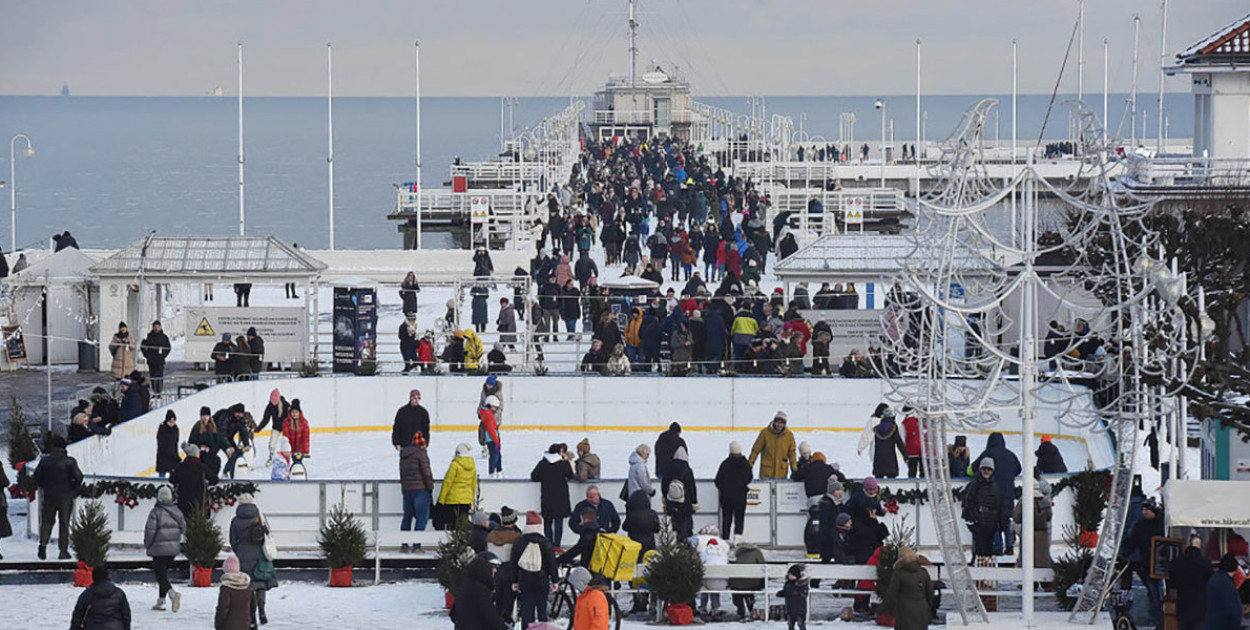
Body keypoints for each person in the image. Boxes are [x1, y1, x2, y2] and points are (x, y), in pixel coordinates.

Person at [229, 495, 276, 627]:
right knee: (260, 583)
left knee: (247, 586)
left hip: (243, 555)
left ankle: (251, 615)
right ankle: (262, 610)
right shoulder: (259, 518)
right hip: (259, 554)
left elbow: (233, 540)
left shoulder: (235, 521)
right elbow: (267, 535)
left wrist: (239, 551)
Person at [34, 434, 83, 560]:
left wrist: (44, 486)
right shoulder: (69, 461)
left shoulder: (44, 461)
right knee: (64, 523)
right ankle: (63, 551)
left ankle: (43, 545)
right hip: (65, 495)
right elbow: (79, 477)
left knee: (47, 522)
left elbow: (37, 477)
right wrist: (73, 489)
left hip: (49, 495)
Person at [973, 432, 1022, 555]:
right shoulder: (1010, 455)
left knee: (993, 521)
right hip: (1008, 493)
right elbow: (1018, 469)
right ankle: (1010, 546)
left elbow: (974, 468)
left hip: (992, 494)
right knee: (1006, 521)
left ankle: (998, 547)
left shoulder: (987, 454)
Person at [1122, 498, 1165, 626]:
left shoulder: (1162, 523)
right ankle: (1156, 616)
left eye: (1146, 510)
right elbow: (1133, 542)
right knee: (1154, 591)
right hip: (1147, 564)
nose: (1144, 512)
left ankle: (1158, 616)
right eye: (1143, 510)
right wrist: (1125, 553)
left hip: (1161, 564)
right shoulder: (1141, 526)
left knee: (1157, 591)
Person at [513, 511, 559, 628]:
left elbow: (514, 563)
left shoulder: (520, 542)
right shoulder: (546, 542)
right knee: (541, 610)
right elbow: (551, 563)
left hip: (525, 579)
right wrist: (554, 580)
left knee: (526, 611)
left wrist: (515, 580)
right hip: (541, 580)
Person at [144, 485, 185, 613]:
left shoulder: (155, 512)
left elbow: (150, 531)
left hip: (158, 548)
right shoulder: (177, 511)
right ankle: (161, 601)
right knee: (163, 574)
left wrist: (147, 544)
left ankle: (172, 594)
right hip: (173, 549)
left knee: (160, 575)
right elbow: (184, 528)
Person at [531, 443, 576, 547]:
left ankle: (548, 544)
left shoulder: (543, 463)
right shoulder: (563, 464)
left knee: (547, 522)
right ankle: (557, 545)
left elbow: (534, 476)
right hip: (561, 497)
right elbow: (570, 475)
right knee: (558, 523)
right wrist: (566, 461)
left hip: (547, 497)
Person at [452, 552, 508, 630]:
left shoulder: (467, 585)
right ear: (485, 569)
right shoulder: (481, 590)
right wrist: (503, 626)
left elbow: (453, 613)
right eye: (493, 568)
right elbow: (490, 616)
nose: (495, 571)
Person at [883, 546, 934, 630]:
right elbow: (930, 592)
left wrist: (884, 608)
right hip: (922, 609)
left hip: (904, 610)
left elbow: (892, 592)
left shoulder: (899, 573)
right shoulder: (923, 572)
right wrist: (928, 607)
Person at [1168, 537, 1212, 630]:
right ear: (1200, 547)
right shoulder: (1206, 564)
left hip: (1182, 605)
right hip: (1200, 607)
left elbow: (1172, 585)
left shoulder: (1176, 563)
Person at [962, 458, 1001, 559]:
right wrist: (976, 517)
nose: (986, 471)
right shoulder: (975, 484)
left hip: (991, 522)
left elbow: (998, 503)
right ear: (980, 469)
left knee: (989, 551)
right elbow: (968, 502)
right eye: (984, 468)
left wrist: (998, 520)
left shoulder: (995, 485)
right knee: (979, 549)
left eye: (989, 469)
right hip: (979, 522)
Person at [714, 441, 753, 541]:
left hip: (726, 497)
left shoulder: (725, 464)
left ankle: (726, 539)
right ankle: (737, 538)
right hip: (740, 496)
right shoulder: (745, 464)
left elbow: (718, 480)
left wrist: (724, 488)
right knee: (739, 518)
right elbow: (749, 478)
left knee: (727, 518)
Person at [399, 432, 434, 536]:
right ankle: (416, 544)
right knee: (422, 517)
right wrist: (430, 487)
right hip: (421, 490)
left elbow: (402, 474)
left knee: (407, 517)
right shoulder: (421, 454)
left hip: (407, 491)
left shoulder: (404, 455)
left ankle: (404, 542)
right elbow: (426, 473)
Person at [663, 446, 698, 540]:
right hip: (685, 501)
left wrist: (665, 497)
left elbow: (664, 484)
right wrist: (694, 501)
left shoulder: (668, 468)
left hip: (671, 500)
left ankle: (676, 540)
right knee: (686, 522)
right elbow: (692, 487)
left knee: (675, 521)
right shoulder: (687, 469)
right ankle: (686, 542)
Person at [437, 444, 477, 526]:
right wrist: (471, 500)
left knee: (452, 524)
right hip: (466, 500)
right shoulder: (473, 467)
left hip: (453, 500)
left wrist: (441, 499)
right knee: (463, 524)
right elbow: (473, 485)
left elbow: (447, 483)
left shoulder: (454, 465)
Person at [749, 411, 797, 479]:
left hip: (781, 474)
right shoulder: (765, 433)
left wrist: (794, 470)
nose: (779, 424)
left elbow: (792, 454)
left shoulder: (789, 436)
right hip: (766, 473)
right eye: (778, 422)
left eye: (782, 423)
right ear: (774, 421)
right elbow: (755, 450)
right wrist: (749, 465)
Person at [819, 480, 854, 565]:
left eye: (840, 490)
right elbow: (826, 520)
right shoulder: (827, 503)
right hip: (828, 533)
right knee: (827, 557)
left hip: (835, 532)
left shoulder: (838, 503)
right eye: (837, 490)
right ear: (832, 491)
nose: (840, 492)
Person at [215, 554, 254, 630]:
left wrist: (218, 624)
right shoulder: (247, 586)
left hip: (228, 626)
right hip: (245, 625)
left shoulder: (226, 588)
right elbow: (252, 607)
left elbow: (223, 609)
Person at [1205, 554, 1243, 630]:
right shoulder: (1227, 584)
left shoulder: (1213, 579)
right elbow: (1232, 609)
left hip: (1211, 623)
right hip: (1224, 625)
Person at [171, 443, 209, 517]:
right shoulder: (201, 467)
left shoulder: (181, 467)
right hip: (198, 503)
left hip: (183, 502)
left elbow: (172, 479)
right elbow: (214, 479)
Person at [871, 409, 908, 479]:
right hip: (890, 460)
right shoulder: (893, 427)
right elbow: (899, 442)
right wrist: (905, 456)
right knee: (892, 482)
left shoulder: (877, 429)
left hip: (878, 460)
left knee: (879, 482)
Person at [257, 389, 290, 467]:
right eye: (272, 401)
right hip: (276, 427)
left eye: (275, 401)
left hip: (286, 428)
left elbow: (291, 417)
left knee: (287, 443)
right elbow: (266, 419)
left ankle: (289, 458)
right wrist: (259, 428)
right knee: (272, 444)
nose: (273, 403)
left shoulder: (285, 405)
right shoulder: (270, 406)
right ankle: (271, 458)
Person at [140, 321, 171, 394]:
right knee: (153, 376)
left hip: (160, 360)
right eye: (155, 327)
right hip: (151, 360)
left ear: (160, 327)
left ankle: (159, 391)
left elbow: (168, 348)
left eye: (158, 327)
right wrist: (147, 355)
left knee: (159, 376)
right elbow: (143, 347)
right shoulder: (149, 336)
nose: (156, 328)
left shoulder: (164, 337)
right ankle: (154, 390)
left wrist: (163, 355)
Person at [778, 564, 809, 630]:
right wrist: (782, 593)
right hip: (790, 608)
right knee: (790, 623)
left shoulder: (802, 584)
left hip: (800, 608)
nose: (790, 577)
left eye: (792, 575)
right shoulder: (788, 584)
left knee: (800, 623)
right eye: (789, 575)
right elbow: (786, 591)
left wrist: (797, 593)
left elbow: (804, 593)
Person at [479, 395, 502, 478]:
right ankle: (492, 473)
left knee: (497, 455)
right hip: (492, 440)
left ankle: (499, 471)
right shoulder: (488, 415)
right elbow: (491, 430)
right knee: (494, 455)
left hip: (493, 439)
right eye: (494, 407)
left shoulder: (486, 413)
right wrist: (496, 441)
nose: (495, 409)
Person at [900, 407, 924, 477]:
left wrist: (904, 454)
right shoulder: (919, 421)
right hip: (921, 450)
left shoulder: (904, 424)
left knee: (912, 472)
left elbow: (902, 439)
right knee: (923, 471)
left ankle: (911, 486)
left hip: (910, 451)